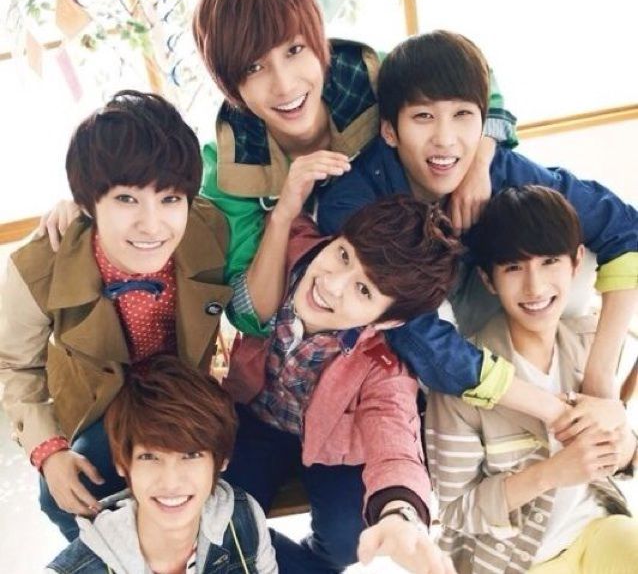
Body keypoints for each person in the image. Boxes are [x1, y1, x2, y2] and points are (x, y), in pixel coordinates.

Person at [190, 0, 518, 336]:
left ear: (320, 43)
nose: (284, 85)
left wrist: (478, 165)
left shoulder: (370, 75)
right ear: (229, 84)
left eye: (295, 50)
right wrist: (282, 215)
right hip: (347, 312)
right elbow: (251, 314)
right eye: (254, 67)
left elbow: (478, 80)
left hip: (447, 251)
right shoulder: (229, 165)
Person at [318, 30, 638, 402]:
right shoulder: (355, 203)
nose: (445, 139)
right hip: (420, 317)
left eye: (462, 115)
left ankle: (574, 381)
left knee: (563, 246)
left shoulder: (499, 169)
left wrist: (600, 378)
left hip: (493, 292)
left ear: (483, 122)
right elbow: (418, 337)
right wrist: (549, 409)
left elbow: (623, 228)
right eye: (423, 116)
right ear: (390, 130)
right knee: (421, 342)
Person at [0, 90, 232, 541]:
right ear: (88, 203)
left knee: (234, 490)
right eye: (126, 199)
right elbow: (14, 364)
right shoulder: (38, 266)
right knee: (63, 495)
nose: (152, 224)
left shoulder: (214, 228)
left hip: (187, 394)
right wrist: (49, 451)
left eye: (170, 199)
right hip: (103, 405)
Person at [222, 194, 459, 574]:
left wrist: (401, 514)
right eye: (344, 255)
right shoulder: (287, 250)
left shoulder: (384, 365)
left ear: (388, 321)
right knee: (225, 525)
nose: (332, 285)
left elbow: (395, 440)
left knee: (348, 541)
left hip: (335, 449)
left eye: (364, 290)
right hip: (255, 419)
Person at [425, 185, 638, 574]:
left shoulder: (593, 342)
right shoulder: (461, 381)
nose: (535, 287)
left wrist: (623, 442)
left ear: (575, 262)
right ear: (488, 279)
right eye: (513, 267)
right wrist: (551, 474)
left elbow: (624, 454)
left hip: (596, 529)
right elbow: (455, 512)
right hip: (512, 561)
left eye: (549, 261)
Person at [46, 354, 277, 574]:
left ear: (222, 460)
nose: (171, 482)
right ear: (122, 464)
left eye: (191, 455)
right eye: (149, 457)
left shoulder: (244, 519)